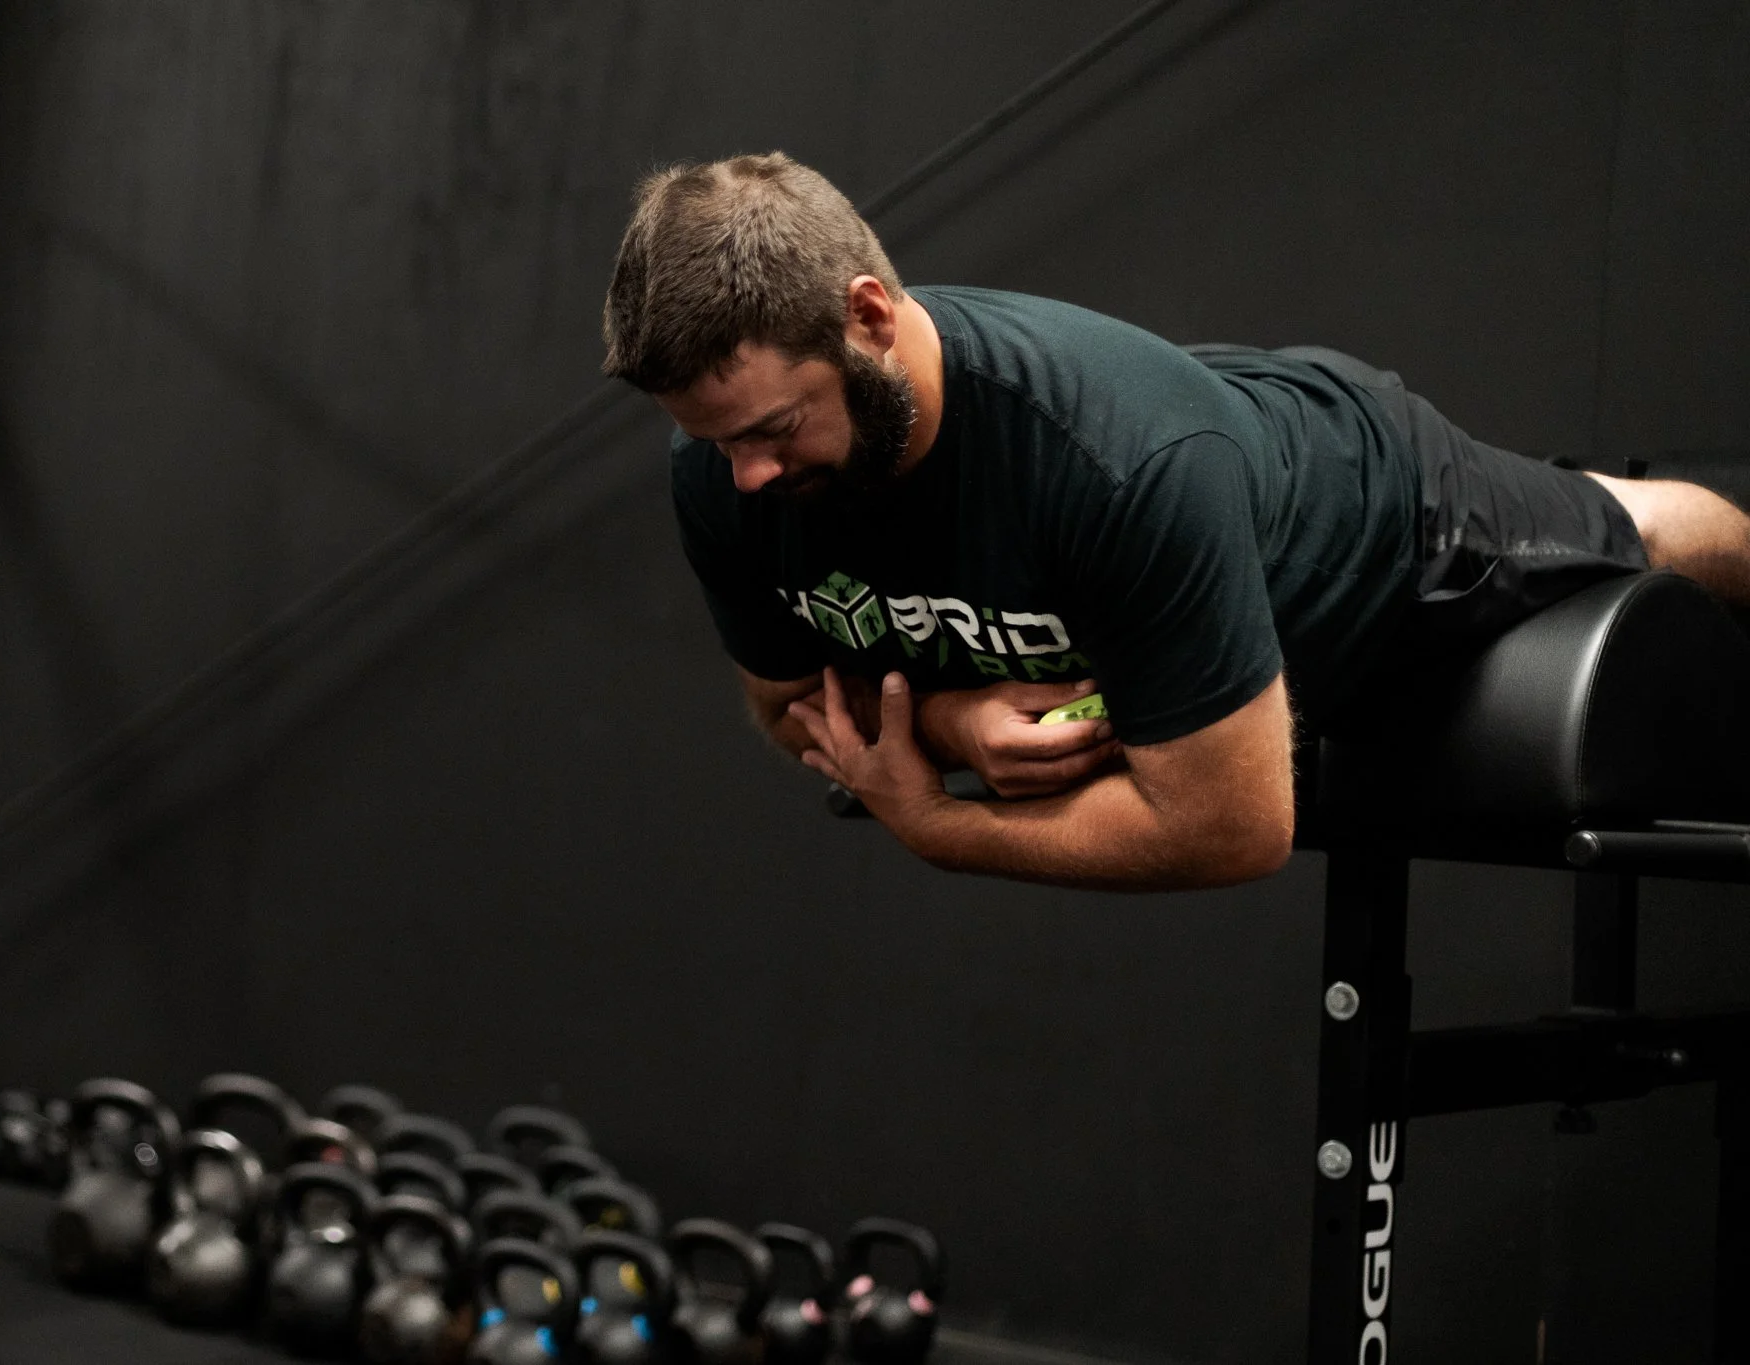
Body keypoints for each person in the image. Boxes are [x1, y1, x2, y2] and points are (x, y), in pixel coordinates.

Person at [599, 152, 1750, 893]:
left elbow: (1231, 829)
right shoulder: (729, 467)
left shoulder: (1123, 467)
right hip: (1179, 446)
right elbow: (784, 697)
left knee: (1639, 530)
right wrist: (946, 725)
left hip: (1377, 505)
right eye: (715, 443)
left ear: (864, 317)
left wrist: (933, 824)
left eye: (773, 430)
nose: (744, 477)